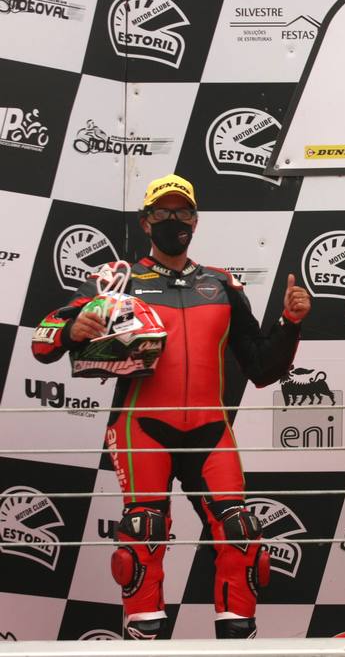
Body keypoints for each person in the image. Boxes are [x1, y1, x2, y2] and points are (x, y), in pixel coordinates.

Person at [31, 174, 311, 640]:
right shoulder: (118, 279)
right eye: (163, 212)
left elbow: (262, 368)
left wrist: (290, 322)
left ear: (195, 221)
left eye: (183, 212)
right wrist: (72, 328)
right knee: (143, 534)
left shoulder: (222, 284)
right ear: (146, 222)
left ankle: (237, 644)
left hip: (210, 429)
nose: (173, 220)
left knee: (241, 535)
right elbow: (43, 344)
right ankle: (145, 642)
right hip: (142, 427)